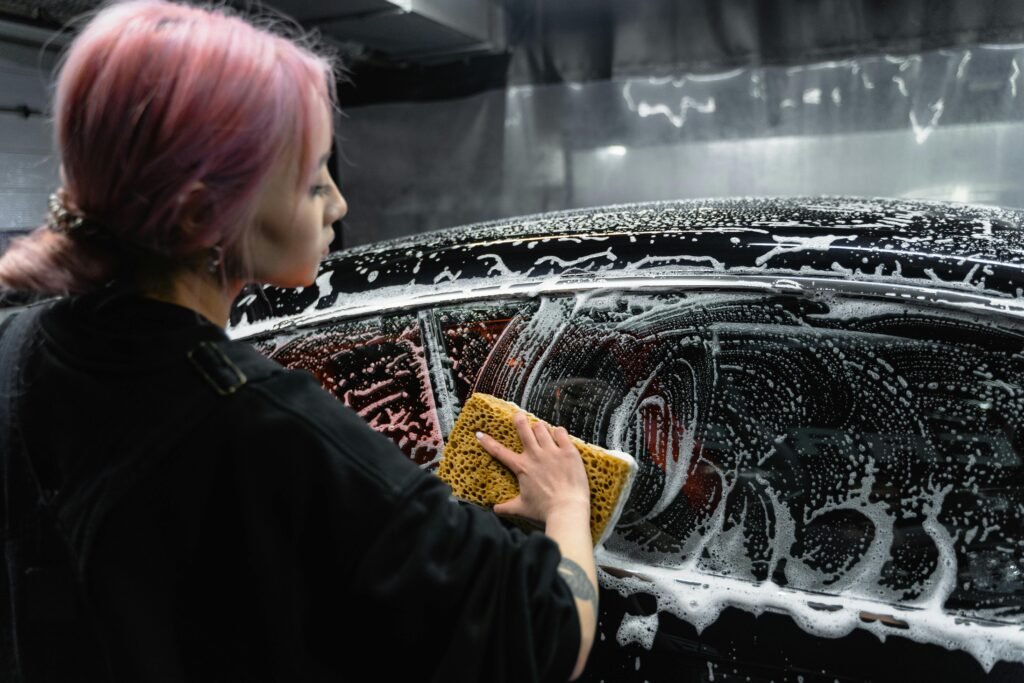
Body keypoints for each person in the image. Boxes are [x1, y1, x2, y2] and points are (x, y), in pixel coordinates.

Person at [0, 1, 597, 681]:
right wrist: (568, 506)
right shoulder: (259, 426)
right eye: (314, 179)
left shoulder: (20, 340)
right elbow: (546, 634)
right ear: (202, 213)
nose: (339, 204)